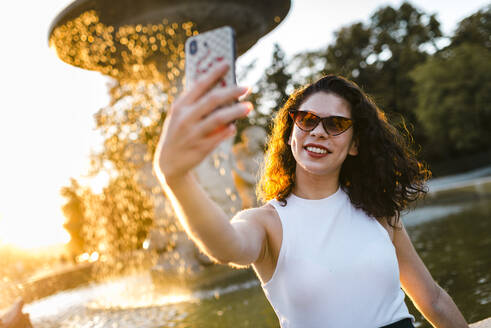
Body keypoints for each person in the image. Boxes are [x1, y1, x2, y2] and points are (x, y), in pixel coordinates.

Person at [153, 62, 469, 327]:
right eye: (307, 120)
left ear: (355, 144)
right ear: (291, 133)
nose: (318, 131)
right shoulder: (266, 223)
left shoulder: (379, 212)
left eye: (336, 124)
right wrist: (175, 177)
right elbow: (225, 246)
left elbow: (434, 300)